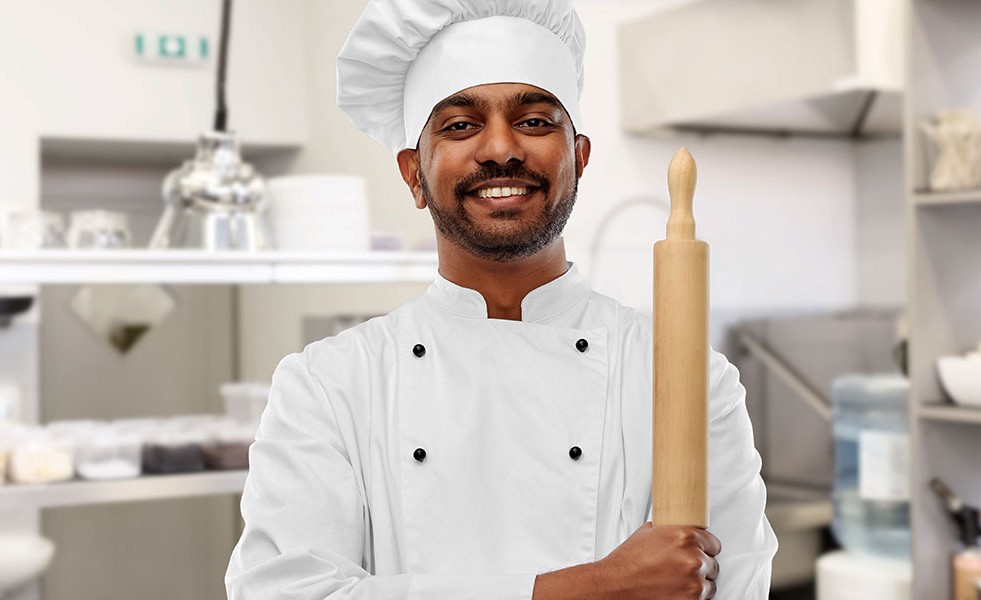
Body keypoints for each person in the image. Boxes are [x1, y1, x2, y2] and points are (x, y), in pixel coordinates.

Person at [225, 0, 778, 598]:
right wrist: (590, 588)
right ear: (413, 174)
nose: (500, 148)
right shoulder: (328, 385)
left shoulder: (686, 378)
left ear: (579, 158)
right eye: (460, 125)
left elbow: (737, 585)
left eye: (536, 121)